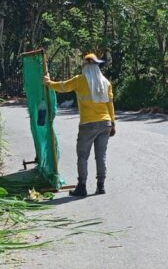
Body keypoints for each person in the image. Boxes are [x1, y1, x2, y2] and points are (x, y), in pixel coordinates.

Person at [43, 53, 116, 197]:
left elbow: (62, 87)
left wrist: (48, 83)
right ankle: (101, 186)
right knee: (101, 156)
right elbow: (110, 104)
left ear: (85, 65)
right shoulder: (106, 82)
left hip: (88, 124)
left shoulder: (80, 80)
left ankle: (81, 187)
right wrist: (113, 123)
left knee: (83, 156)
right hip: (105, 123)